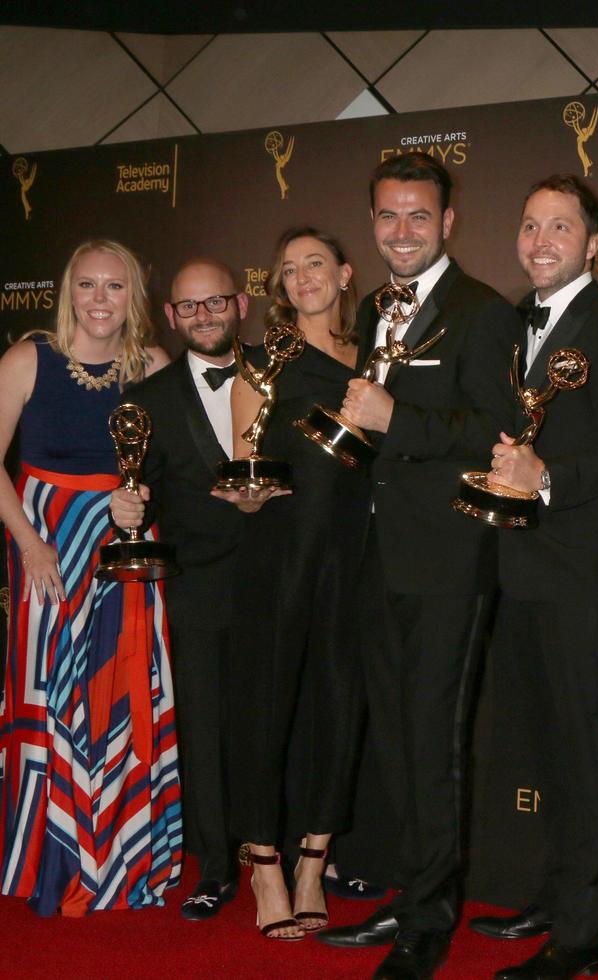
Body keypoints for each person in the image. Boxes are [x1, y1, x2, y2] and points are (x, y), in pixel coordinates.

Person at [313, 152, 519, 980]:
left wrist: (397, 416)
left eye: (418, 217)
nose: (403, 231)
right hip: (373, 554)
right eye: (389, 217)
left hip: (447, 557)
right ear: (372, 222)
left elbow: (494, 432)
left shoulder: (482, 311)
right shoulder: (370, 307)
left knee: (433, 739)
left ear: (449, 222)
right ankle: (409, 889)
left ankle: (431, 916)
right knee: (395, 740)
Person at [474, 174, 598, 980]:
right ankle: (559, 895)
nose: (541, 240)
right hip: (519, 567)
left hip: (584, 570)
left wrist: (546, 478)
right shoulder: (509, 328)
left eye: (560, 228)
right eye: (530, 224)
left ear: (592, 246)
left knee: (588, 752)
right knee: (549, 751)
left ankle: (582, 937)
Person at [0, 239, 179, 915]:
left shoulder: (156, 365)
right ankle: (52, 861)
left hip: (126, 546)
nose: (99, 300)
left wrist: (142, 501)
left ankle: (128, 855)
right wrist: (28, 543)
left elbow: (171, 468)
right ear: (66, 291)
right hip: (44, 544)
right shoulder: (27, 359)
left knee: (126, 695)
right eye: (87, 285)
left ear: (132, 295)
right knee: (51, 698)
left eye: (113, 287)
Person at [221, 228, 372, 941]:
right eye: (288, 268)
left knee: (339, 703)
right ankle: (264, 863)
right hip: (279, 554)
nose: (303, 276)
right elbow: (245, 462)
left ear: (344, 273)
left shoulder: (377, 358)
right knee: (269, 704)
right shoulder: (261, 362)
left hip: (355, 554)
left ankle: (316, 858)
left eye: (316, 263)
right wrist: (245, 495)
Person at [108, 258, 249, 922]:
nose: (203, 316)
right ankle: (216, 867)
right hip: (198, 584)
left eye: (215, 302)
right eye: (188, 307)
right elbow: (148, 483)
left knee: (290, 714)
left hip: (284, 576)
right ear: (170, 317)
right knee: (207, 726)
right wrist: (130, 506)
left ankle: (305, 857)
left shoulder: (283, 373)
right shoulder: (152, 399)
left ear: (239, 303)